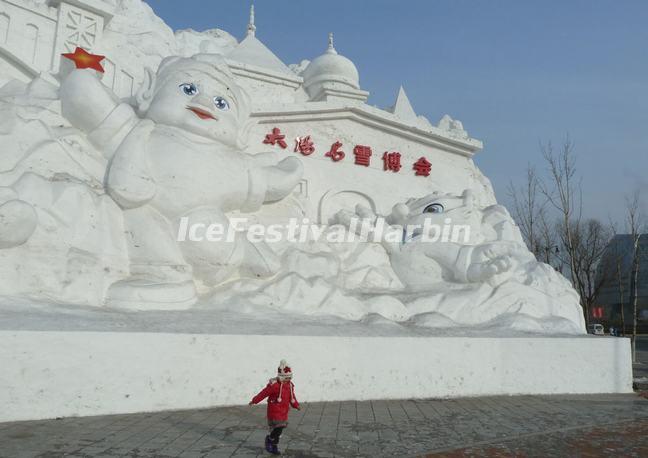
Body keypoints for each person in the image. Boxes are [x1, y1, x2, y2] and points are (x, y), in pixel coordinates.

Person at [249, 360, 300, 455]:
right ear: (281, 377)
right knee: (278, 428)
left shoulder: (290, 386)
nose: (288, 380)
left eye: (289, 378)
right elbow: (264, 393)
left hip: (284, 412)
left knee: (279, 432)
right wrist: (255, 400)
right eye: (286, 378)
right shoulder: (275, 386)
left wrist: (296, 405)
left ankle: (274, 446)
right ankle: (269, 439)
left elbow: (292, 397)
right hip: (274, 411)